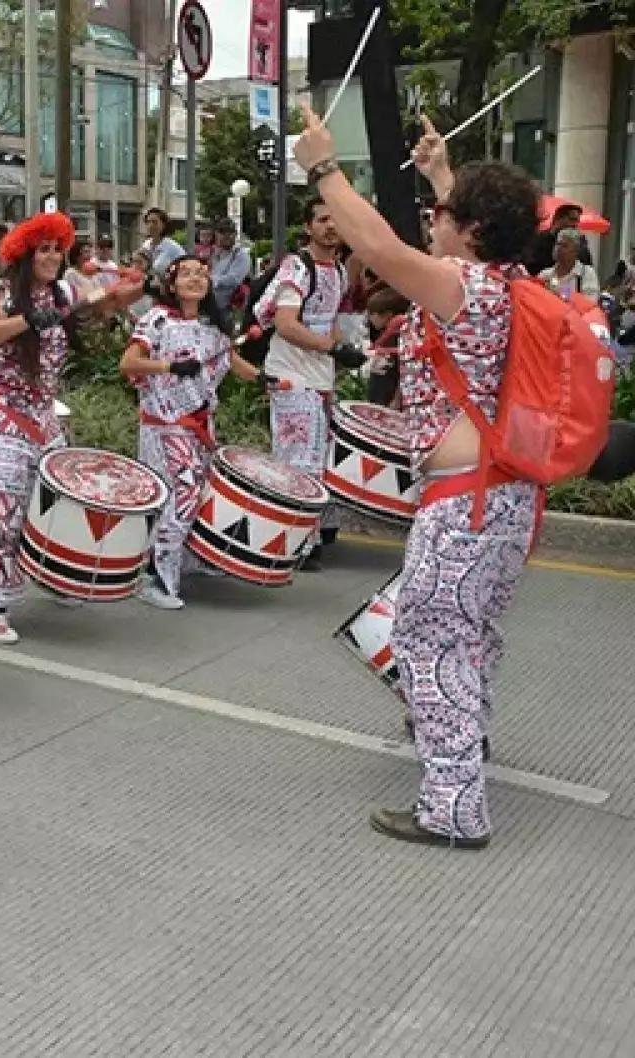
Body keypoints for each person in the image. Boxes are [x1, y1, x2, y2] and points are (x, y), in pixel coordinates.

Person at [294, 108, 544, 849]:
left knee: (430, 643)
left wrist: (323, 167)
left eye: (443, 213)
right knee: (471, 636)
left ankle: (454, 808)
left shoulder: (466, 289)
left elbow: (377, 245)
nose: (434, 221)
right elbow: (461, 229)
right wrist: (442, 174)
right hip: (506, 497)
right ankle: (466, 743)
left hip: (465, 501)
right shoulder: (513, 283)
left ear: (471, 231)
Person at [0, 212, 143, 643]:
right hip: (3, 418)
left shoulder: (65, 292)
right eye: (42, 250)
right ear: (25, 255)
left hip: (44, 418)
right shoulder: (2, 294)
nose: (51, 257)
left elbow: (105, 299)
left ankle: (52, 575)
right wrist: (28, 320)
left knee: (51, 506)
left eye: (56, 250)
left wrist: (146, 284)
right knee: (4, 511)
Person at [122, 257, 267, 610]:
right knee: (183, 493)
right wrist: (169, 365)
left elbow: (229, 360)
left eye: (202, 273)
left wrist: (264, 378)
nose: (195, 278)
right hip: (166, 424)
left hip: (200, 425)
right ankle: (156, 575)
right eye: (186, 273)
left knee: (196, 493)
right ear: (171, 284)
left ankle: (184, 559)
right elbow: (129, 363)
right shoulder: (156, 319)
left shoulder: (212, 326)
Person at [252, 197, 360, 570]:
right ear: (308, 227)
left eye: (336, 219)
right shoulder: (297, 267)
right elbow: (286, 324)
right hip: (291, 377)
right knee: (297, 460)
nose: (330, 226)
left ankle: (311, 533)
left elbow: (330, 322)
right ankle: (293, 542)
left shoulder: (338, 270)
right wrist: (333, 348)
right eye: (322, 220)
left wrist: (341, 355)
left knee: (317, 456)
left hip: (319, 378)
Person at [538, 229, 600, 299]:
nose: (559, 248)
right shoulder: (545, 275)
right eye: (558, 244)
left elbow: (590, 302)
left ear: (576, 251)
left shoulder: (586, 274)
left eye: (565, 246)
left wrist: (561, 294)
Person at [209, 219, 251, 314]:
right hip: (212, 308)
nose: (226, 236)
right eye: (222, 232)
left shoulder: (241, 255)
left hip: (231, 311)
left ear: (235, 234)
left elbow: (234, 279)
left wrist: (211, 280)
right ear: (216, 234)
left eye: (230, 233)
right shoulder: (213, 255)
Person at [141, 208, 186, 285]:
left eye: (154, 222)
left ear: (164, 224)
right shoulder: (146, 244)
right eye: (148, 222)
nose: (150, 225)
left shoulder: (173, 247)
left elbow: (185, 268)